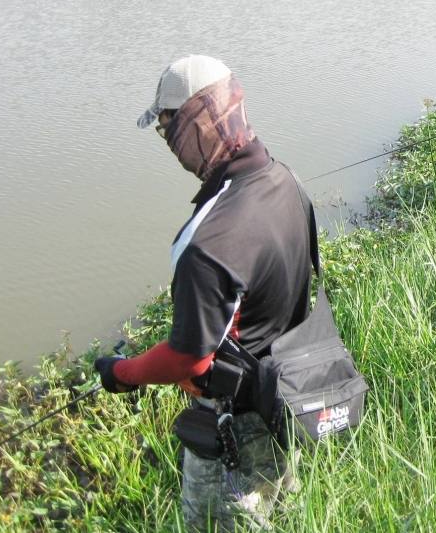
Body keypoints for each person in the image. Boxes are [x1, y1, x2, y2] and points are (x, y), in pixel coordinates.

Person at [93, 55, 313, 531]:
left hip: (234, 431)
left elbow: (189, 360)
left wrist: (123, 372)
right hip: (290, 400)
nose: (169, 145)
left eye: (168, 128)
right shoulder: (285, 180)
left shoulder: (208, 239)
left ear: (198, 120)